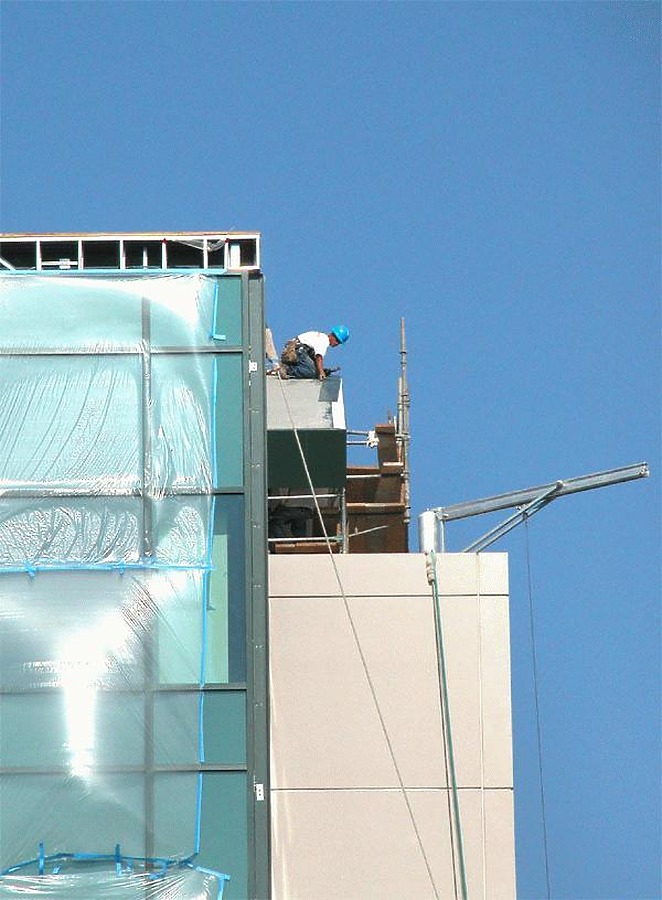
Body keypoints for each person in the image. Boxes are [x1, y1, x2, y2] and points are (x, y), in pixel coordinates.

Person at [277, 326, 350, 380]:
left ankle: (285, 368)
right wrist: (321, 372)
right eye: (337, 341)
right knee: (312, 372)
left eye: (339, 343)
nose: (336, 344)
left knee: (314, 370)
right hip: (298, 351)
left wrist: (322, 370)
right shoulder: (324, 341)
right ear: (333, 336)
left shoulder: (320, 337)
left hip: (294, 349)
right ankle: (286, 370)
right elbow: (319, 358)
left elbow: (314, 359)